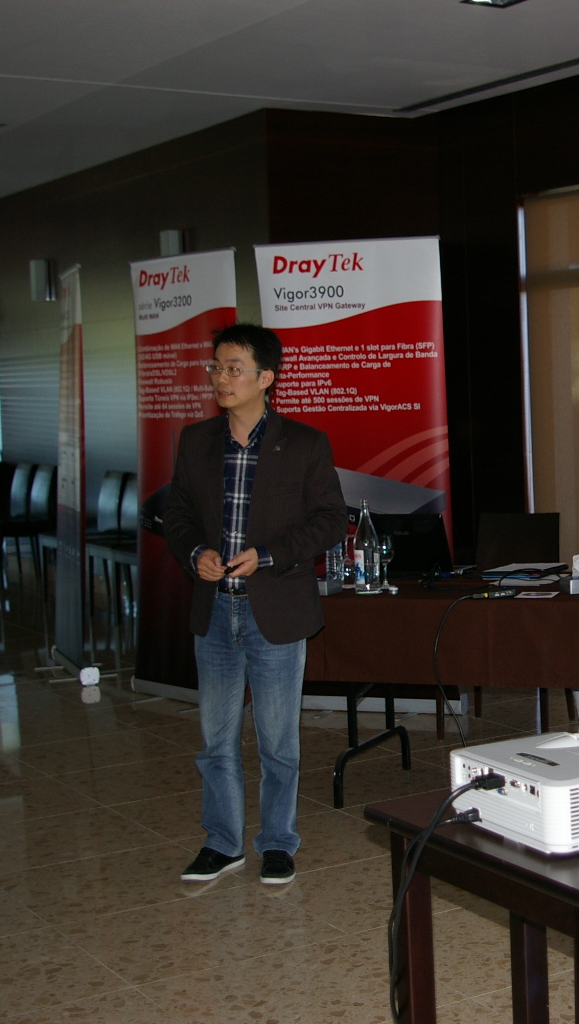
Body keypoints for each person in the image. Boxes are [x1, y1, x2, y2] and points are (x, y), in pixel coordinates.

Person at [165, 323, 350, 884]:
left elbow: (330, 521)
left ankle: (277, 843)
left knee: (278, 742)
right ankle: (222, 843)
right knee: (215, 739)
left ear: (266, 378)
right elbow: (176, 514)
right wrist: (195, 552)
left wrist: (267, 555)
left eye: (234, 368)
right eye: (216, 367)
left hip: (276, 608)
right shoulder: (196, 441)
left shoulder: (305, 443)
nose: (220, 378)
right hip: (215, 609)